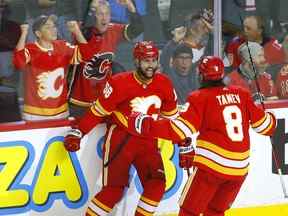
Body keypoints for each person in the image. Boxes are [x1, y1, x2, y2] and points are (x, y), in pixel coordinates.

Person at [128, 56, 276, 216]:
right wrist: (270, 116)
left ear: (201, 75)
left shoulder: (200, 97)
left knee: (188, 211)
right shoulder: (242, 94)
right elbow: (266, 128)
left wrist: (145, 124)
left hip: (211, 169)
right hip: (239, 170)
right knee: (215, 211)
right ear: (222, 75)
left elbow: (178, 130)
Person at [63, 41, 179, 216]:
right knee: (113, 191)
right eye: (146, 61)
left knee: (157, 184)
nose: (151, 65)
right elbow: (97, 112)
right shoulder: (119, 83)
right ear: (137, 61)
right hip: (121, 141)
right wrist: (79, 132)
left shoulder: (164, 83)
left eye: (154, 60)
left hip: (148, 143)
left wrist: (184, 143)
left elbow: (172, 119)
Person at [69, 0, 144, 116]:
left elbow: (137, 29)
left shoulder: (113, 30)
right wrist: (90, 9)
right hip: (80, 100)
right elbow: (86, 34)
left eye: (107, 14)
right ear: (93, 16)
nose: (104, 18)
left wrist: (131, 8)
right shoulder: (81, 30)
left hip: (102, 99)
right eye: (100, 14)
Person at [13, 15, 92, 121]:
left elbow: (87, 55)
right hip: (35, 114)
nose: (53, 29)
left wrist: (77, 32)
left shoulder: (62, 46)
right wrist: (23, 34)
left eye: (54, 26)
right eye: (48, 27)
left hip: (61, 112)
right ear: (38, 34)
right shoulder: (31, 49)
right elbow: (18, 62)